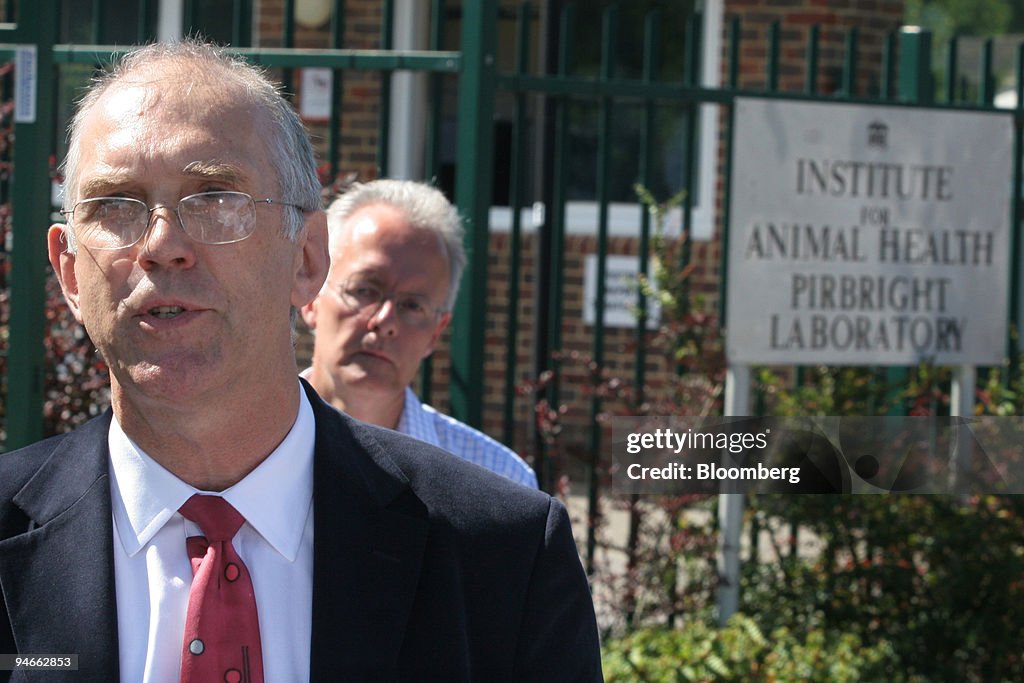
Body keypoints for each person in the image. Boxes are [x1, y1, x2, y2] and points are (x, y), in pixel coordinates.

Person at [0, 41, 601, 682]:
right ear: (67, 269)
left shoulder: (499, 555)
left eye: (213, 198)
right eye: (116, 205)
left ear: (309, 257)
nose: (162, 246)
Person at [301, 180, 537, 488]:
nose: (385, 321)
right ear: (311, 298)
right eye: (364, 290)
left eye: (413, 305)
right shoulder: (237, 452)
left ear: (435, 334)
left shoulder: (500, 481)